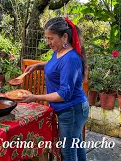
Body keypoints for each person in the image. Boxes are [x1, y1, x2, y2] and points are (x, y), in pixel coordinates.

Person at [21, 17, 89, 160]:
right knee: (77, 145)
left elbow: (63, 94)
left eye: (51, 38)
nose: (48, 42)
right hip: (70, 109)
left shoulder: (71, 59)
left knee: (68, 152)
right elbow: (56, 63)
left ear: (64, 37)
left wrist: (35, 97)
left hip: (72, 111)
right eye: (47, 38)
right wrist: (39, 65)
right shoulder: (60, 50)